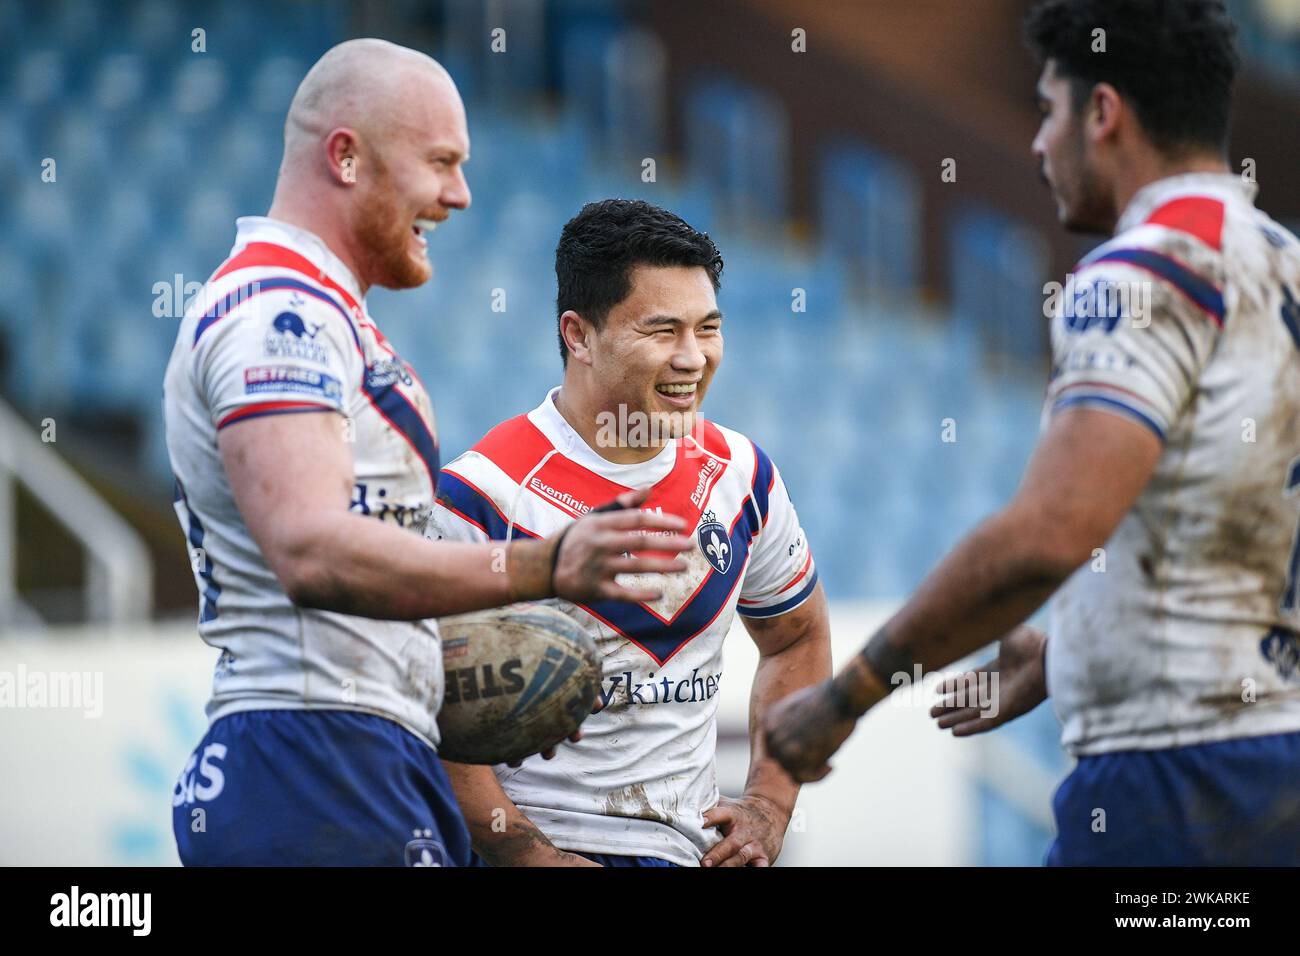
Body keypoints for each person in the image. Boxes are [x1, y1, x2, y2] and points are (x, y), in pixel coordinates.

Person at [765, 0, 1300, 865]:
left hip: (1174, 781)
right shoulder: (1284, 266)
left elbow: (1048, 536)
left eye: (1049, 111)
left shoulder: (1142, 272)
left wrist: (848, 697)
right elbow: (1234, 527)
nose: (1038, 143)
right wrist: (1069, 654)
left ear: (1103, 113)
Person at [163, 41, 691, 867]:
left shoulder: (324, 313)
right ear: (346, 156)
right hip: (315, 764)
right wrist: (542, 570)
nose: (461, 194)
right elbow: (309, 549)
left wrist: (496, 676)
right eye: (441, 162)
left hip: (357, 760)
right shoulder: (279, 315)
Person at [427, 200, 831, 867]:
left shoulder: (742, 475)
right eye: (662, 330)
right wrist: (530, 857)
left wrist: (770, 801)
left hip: (688, 851)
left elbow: (799, 637)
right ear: (579, 335)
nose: (693, 358)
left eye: (709, 328)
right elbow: (426, 707)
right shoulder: (481, 495)